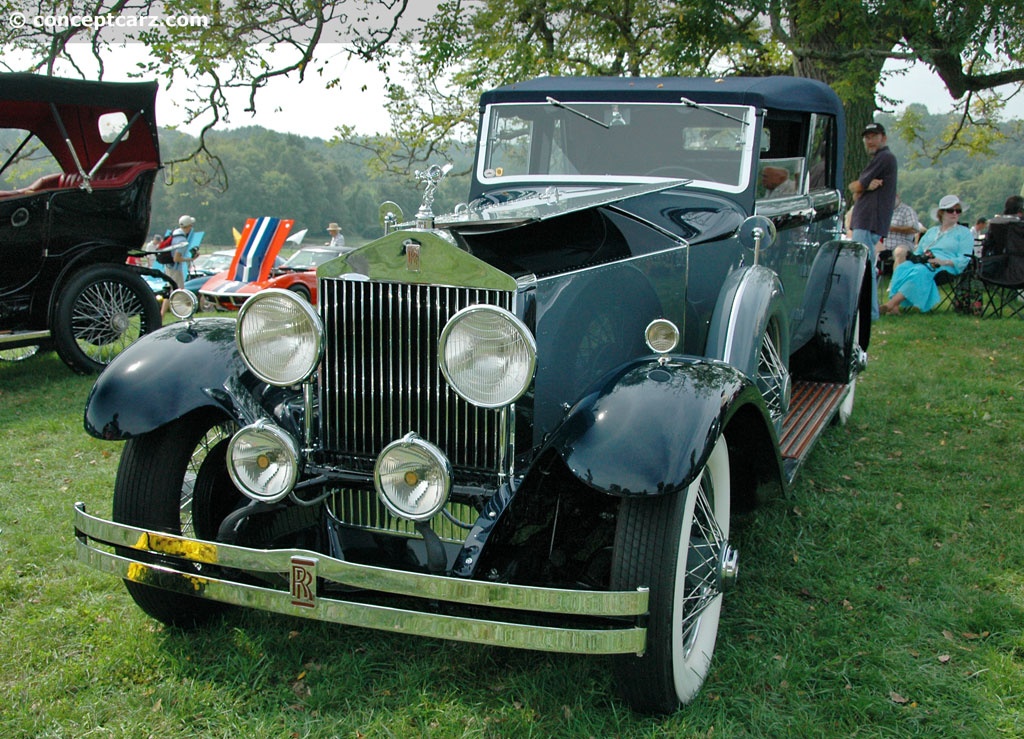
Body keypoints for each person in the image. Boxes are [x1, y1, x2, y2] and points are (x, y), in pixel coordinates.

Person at [880, 195, 973, 315]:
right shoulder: (932, 231)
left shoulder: (964, 233)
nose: (955, 213)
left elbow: (964, 257)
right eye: (951, 210)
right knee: (903, 267)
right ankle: (895, 308)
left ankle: (890, 304)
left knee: (920, 271)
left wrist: (943, 261)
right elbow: (919, 251)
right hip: (925, 261)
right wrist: (917, 258)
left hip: (946, 265)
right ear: (942, 213)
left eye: (958, 210)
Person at [848, 122, 898, 321]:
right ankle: (870, 311)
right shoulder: (880, 159)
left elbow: (855, 187)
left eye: (874, 136)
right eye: (867, 137)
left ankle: (870, 313)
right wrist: (863, 189)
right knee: (865, 265)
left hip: (869, 221)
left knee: (864, 267)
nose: (870, 141)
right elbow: (857, 193)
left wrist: (861, 187)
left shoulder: (885, 157)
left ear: (883, 138)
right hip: (867, 220)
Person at [161, 215, 196, 316]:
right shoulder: (182, 241)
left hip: (168, 267)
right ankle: (184, 315)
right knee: (180, 293)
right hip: (175, 269)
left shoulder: (174, 235)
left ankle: (161, 315)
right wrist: (190, 259)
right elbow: (176, 258)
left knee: (170, 292)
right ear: (188, 226)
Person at [879, 194, 922, 272]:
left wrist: (893, 228)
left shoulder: (907, 210)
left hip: (902, 243)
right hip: (882, 244)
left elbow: (914, 229)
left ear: (897, 197)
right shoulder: (882, 210)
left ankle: (896, 281)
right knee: (867, 251)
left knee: (900, 252)